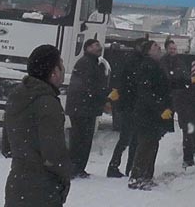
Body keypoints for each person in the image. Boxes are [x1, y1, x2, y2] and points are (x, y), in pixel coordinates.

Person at [3, 44, 71, 207]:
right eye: (61, 64)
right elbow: (54, 155)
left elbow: (7, 147)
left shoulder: (18, 96)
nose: (63, 69)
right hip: (42, 191)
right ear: (54, 72)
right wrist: (64, 177)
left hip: (16, 185)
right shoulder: (47, 103)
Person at [128, 41, 175, 190]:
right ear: (148, 51)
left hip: (153, 114)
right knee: (146, 145)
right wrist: (160, 108)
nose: (159, 48)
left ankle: (147, 175)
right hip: (147, 114)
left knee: (152, 144)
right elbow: (146, 92)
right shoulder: (146, 66)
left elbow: (165, 86)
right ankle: (136, 177)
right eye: (155, 47)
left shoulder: (156, 66)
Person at [65, 38, 109, 179]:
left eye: (99, 46)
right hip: (81, 108)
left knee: (85, 139)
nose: (99, 48)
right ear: (88, 48)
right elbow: (88, 86)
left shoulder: (95, 63)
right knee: (79, 139)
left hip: (86, 108)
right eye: (96, 46)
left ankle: (78, 168)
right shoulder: (86, 63)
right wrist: (102, 97)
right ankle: (73, 168)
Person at [106, 39, 147, 178]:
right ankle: (119, 166)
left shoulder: (132, 60)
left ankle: (125, 166)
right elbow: (131, 83)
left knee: (129, 138)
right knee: (127, 138)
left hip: (130, 105)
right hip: (131, 105)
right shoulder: (135, 62)